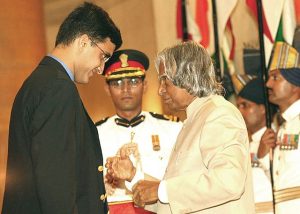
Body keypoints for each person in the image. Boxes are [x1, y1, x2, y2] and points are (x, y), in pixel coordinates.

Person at [106, 41, 255, 213]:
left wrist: (162, 191)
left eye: (165, 81)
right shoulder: (195, 118)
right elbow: (176, 201)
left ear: (187, 78)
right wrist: (133, 176)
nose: (160, 90)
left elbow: (229, 180)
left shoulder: (218, 114)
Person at [2, 2, 122, 214]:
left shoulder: (42, 81)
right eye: (103, 55)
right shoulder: (57, 89)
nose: (102, 68)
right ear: (84, 42)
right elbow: (56, 189)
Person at [96, 49, 182, 214]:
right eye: (117, 83)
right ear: (107, 89)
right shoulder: (94, 134)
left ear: (145, 86)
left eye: (134, 81)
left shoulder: (172, 128)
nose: (126, 89)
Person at [257, 42, 300, 213]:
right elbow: (281, 183)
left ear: (295, 85)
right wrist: (263, 156)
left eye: (275, 78)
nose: (267, 84)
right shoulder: (283, 127)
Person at [234, 75, 274, 213]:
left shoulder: (274, 140)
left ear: (263, 108)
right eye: (238, 106)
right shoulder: (246, 145)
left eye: (245, 105)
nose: (239, 112)